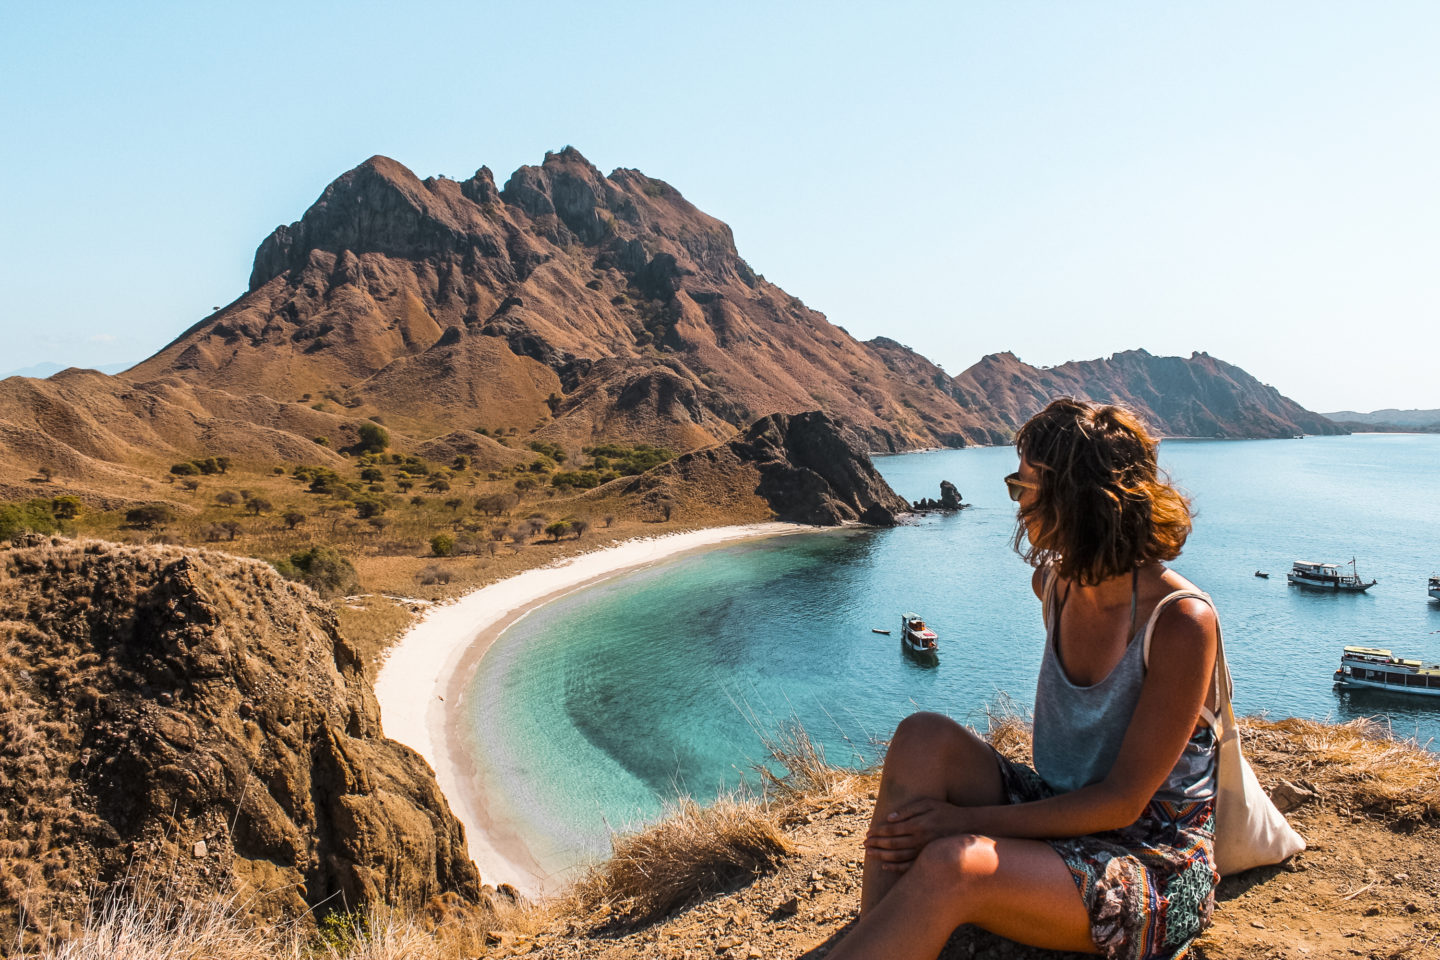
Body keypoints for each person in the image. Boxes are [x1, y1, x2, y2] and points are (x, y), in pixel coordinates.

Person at [825, 398, 1220, 960]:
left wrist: (961, 822)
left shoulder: (1181, 622)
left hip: (1156, 861)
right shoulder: (1054, 587)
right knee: (921, 738)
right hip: (1063, 813)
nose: (1017, 507)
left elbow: (1122, 803)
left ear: (1078, 496)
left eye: (1023, 487)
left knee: (953, 862)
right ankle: (887, 934)